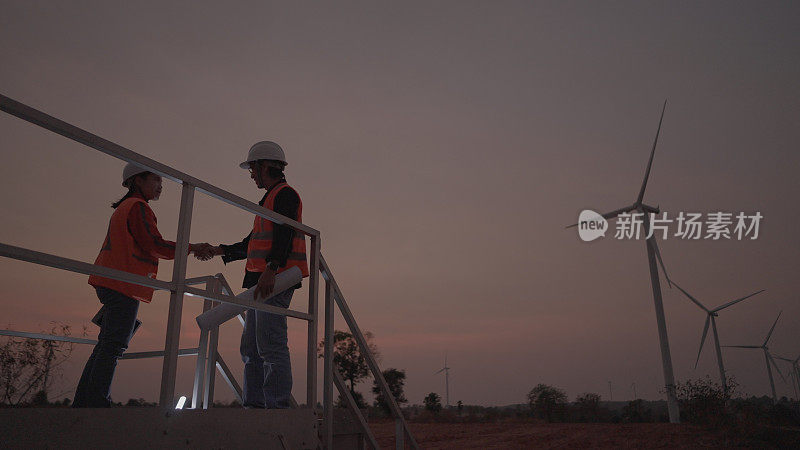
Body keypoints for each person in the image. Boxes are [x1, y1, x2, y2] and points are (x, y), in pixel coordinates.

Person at [73, 163, 209, 407]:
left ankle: (86, 399)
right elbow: (154, 244)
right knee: (113, 345)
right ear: (138, 181)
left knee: (107, 343)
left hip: (113, 280)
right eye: (156, 180)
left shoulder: (125, 208)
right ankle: (95, 401)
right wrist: (192, 247)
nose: (160, 186)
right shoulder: (138, 207)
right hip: (122, 283)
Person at [197, 141, 308, 409]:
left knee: (270, 346)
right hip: (262, 282)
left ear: (262, 166)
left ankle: (276, 409)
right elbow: (254, 241)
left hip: (276, 280)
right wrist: (220, 250)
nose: (251, 174)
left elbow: (285, 233)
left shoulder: (285, 195)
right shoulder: (270, 198)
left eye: (252, 168)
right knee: (252, 349)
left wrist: (271, 269)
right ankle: (255, 407)